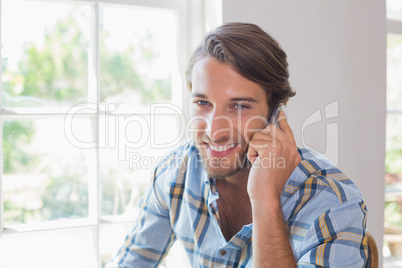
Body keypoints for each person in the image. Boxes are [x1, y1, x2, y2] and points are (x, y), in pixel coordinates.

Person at [106, 22, 368, 267]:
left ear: (274, 112)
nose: (214, 131)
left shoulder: (334, 204)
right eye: (203, 103)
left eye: (240, 106)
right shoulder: (176, 172)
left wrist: (265, 199)